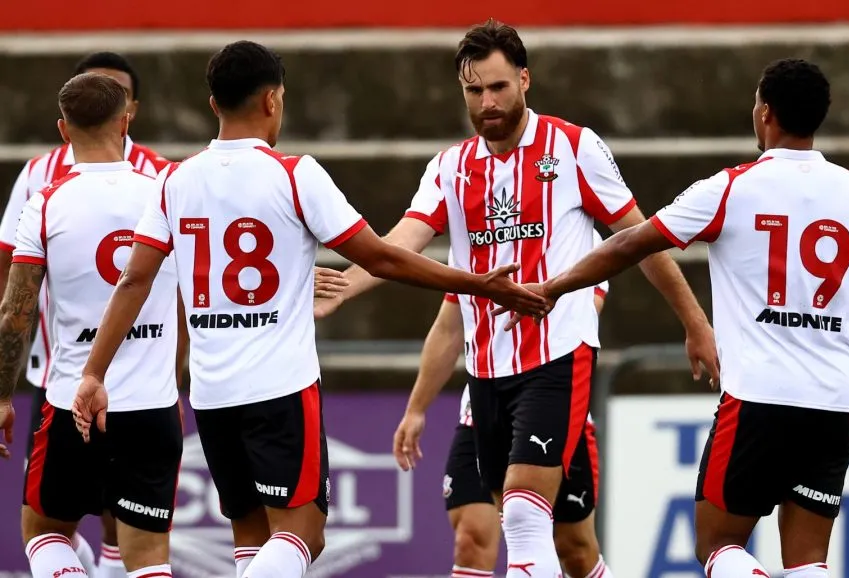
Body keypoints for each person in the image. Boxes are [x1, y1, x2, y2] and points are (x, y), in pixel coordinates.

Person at [68, 40, 547, 578]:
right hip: (280, 390)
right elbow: (381, 257)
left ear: (214, 104)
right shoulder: (295, 174)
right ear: (272, 100)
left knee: (252, 538)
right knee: (304, 534)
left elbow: (134, 280)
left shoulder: (174, 180)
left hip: (212, 394)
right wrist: (477, 283)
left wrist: (93, 373)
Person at [318, 19, 717, 578]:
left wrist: (695, 321)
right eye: (474, 90)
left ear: (525, 80)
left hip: (559, 357)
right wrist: (345, 286)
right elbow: (401, 242)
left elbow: (641, 239)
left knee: (526, 518)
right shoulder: (451, 168)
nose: (487, 102)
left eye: (499, 87)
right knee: (543, 537)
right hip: (485, 373)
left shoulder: (573, 148)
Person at [511, 59, 849, 578]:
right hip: (831, 402)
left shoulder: (732, 188)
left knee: (717, 543)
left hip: (758, 397)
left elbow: (630, 243)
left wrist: (552, 287)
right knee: (809, 560)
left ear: (766, 112)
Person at [0, 73, 184, 578]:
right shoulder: (166, 193)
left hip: (70, 403)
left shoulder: (46, 203)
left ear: (63, 130)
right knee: (148, 556)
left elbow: (16, 312)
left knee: (44, 533)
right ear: (126, 122)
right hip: (151, 403)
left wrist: (1, 396)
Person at [391, 232, 613, 578]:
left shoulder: (577, 235)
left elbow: (579, 316)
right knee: (471, 539)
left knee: (574, 549)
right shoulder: (472, 235)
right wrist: (416, 408)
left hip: (550, 402)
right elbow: (448, 327)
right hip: (482, 408)